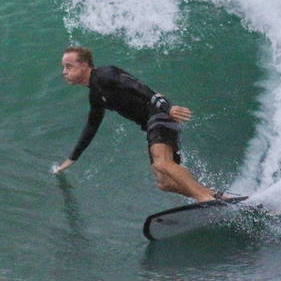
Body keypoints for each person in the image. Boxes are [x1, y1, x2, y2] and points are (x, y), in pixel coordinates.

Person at [53, 46, 231, 203]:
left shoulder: (106, 74)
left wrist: (166, 107)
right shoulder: (96, 94)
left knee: (162, 163)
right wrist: (72, 159)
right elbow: (91, 127)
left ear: (84, 65)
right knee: (165, 182)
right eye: (64, 68)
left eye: (69, 66)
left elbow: (137, 86)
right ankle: (214, 196)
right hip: (152, 123)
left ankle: (203, 198)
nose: (64, 72)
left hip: (159, 113)